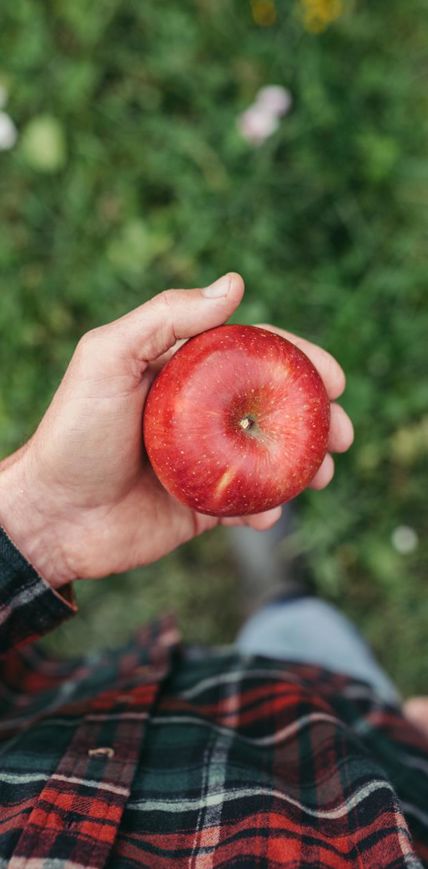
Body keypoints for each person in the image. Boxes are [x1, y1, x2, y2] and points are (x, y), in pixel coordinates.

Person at [0, 273, 427, 868]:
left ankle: (275, 594)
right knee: (312, 639)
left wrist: (38, 518)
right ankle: (281, 597)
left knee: (289, 630)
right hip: (361, 750)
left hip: (130, 707)